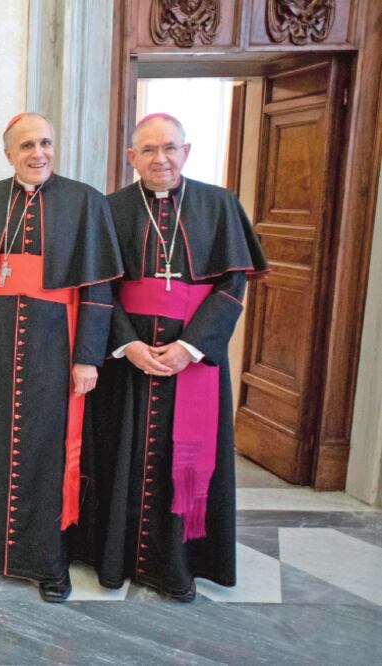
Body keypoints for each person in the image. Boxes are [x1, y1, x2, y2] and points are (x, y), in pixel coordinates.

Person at [91, 113, 267, 601]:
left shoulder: (218, 205)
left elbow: (232, 286)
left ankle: (181, 564)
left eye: (169, 147)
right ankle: (116, 561)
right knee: (121, 455)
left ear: (186, 151)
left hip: (194, 360)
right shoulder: (111, 208)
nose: (160, 159)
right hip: (130, 360)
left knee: (184, 459)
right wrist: (128, 345)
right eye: (147, 150)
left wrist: (191, 348)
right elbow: (100, 287)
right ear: (131, 158)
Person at [0, 112, 123, 602]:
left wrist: (88, 357)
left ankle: (49, 562)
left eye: (47, 143)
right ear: (8, 153)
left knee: (48, 453)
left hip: (56, 348)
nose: (39, 153)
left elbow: (98, 289)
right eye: (28, 145)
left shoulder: (84, 202)